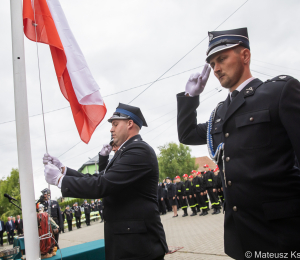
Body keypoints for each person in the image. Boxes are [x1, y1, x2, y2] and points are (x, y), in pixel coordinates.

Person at [177, 27, 300, 259]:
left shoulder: (279, 92)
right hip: (241, 234)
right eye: (212, 64)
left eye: (222, 59)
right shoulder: (220, 113)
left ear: (245, 56)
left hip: (282, 232)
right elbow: (187, 135)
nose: (216, 69)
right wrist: (189, 99)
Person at [43, 103, 168, 260]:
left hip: (139, 245)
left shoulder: (138, 151)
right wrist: (63, 170)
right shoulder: (123, 152)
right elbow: (98, 178)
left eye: (115, 124)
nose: (111, 129)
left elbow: (102, 185)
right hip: (127, 241)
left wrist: (60, 181)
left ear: (130, 124)